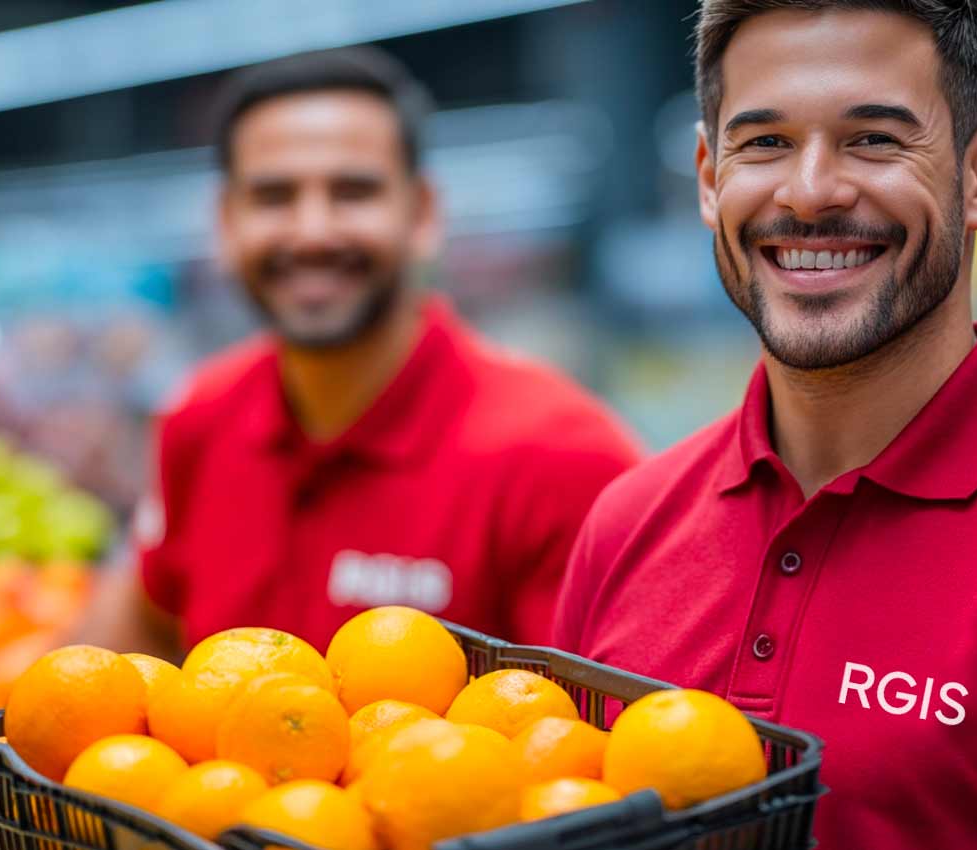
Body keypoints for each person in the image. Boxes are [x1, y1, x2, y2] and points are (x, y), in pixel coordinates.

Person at [552, 1, 977, 846]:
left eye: (875, 139)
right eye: (765, 142)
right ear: (709, 179)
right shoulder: (626, 524)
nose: (810, 192)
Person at [81, 47, 641, 657]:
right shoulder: (198, 419)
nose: (313, 231)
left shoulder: (560, 458)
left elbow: (599, 734)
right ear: (226, 221)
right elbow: (141, 640)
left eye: (352, 191)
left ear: (422, 212)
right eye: (274, 196)